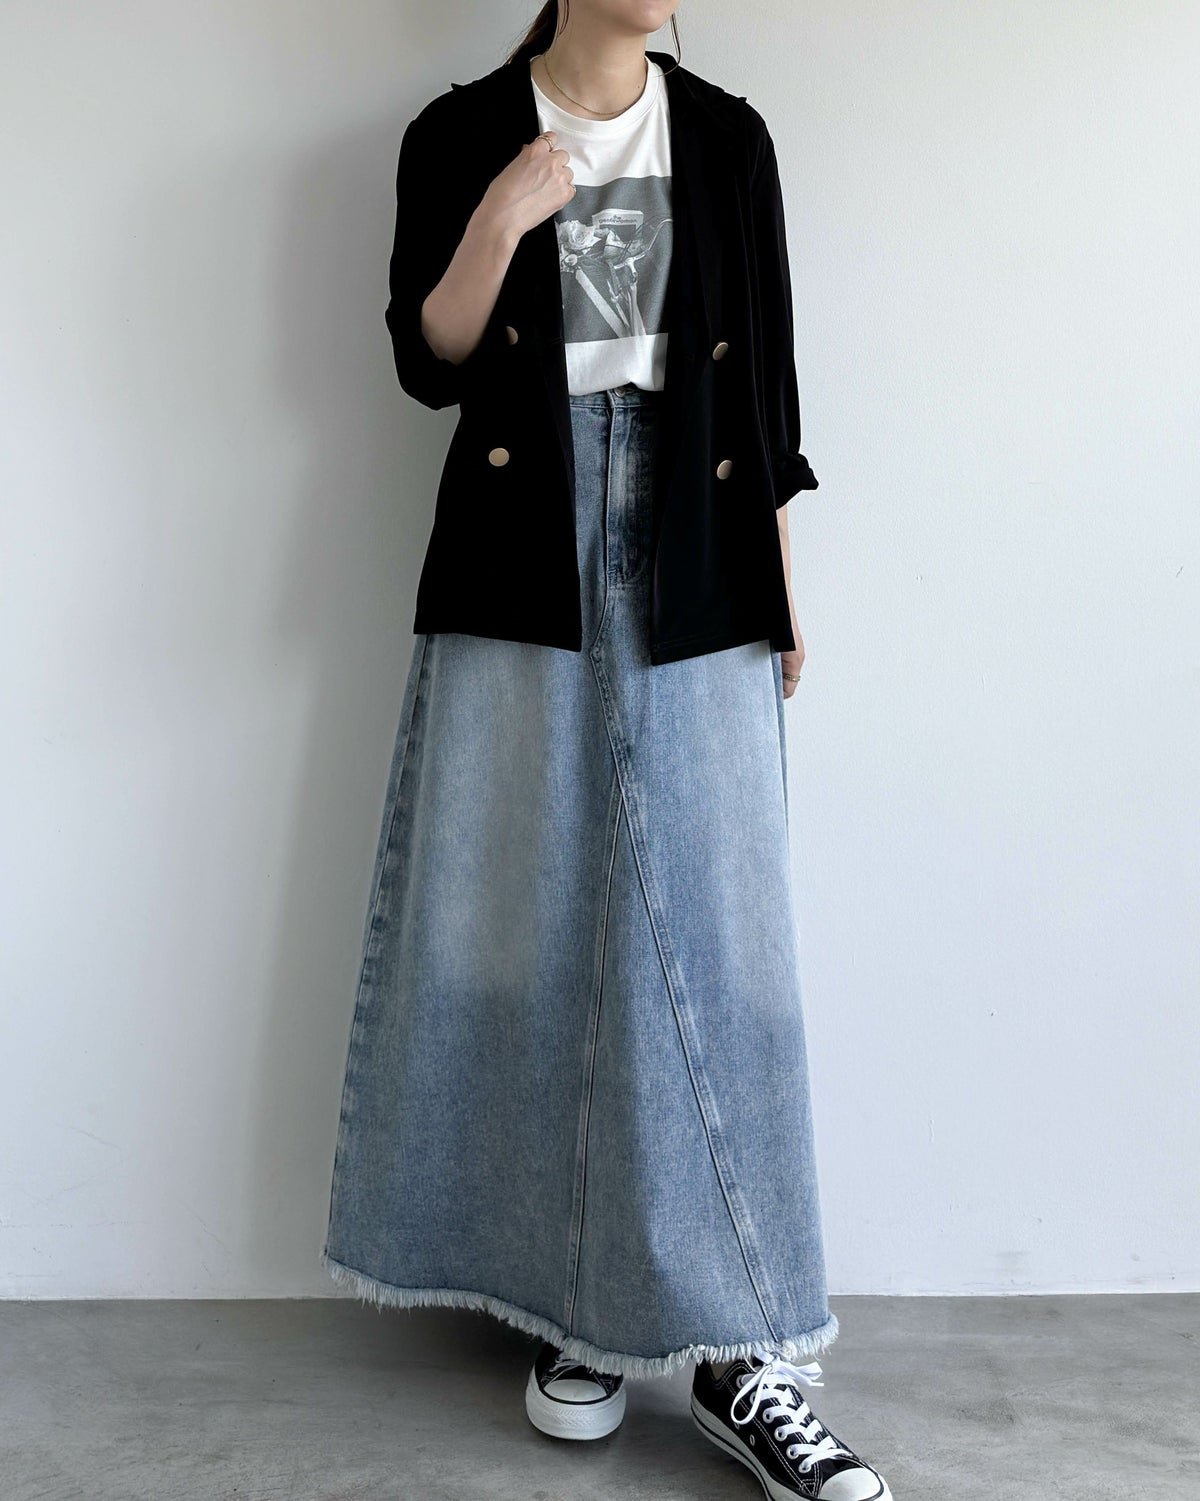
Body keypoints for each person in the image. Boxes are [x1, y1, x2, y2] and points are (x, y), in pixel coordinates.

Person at [321, 4, 893, 1497]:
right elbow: (431, 360)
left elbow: (765, 391)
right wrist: (504, 216)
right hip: (521, 535)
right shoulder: (461, 133)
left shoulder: (727, 139)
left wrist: (775, 580)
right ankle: (577, 1306)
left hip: (694, 530)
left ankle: (742, 1341)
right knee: (521, 918)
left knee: (719, 933)